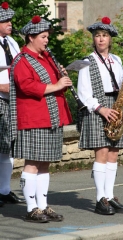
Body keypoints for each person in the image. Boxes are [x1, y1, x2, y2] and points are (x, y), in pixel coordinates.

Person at [9, 15, 72, 223]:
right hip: (34, 118)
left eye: (47, 37)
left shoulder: (46, 58)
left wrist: (61, 77)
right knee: (32, 165)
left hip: (50, 117)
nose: (46, 40)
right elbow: (25, 85)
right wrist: (56, 85)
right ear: (31, 37)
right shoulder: (22, 60)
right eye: (43, 37)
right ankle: (31, 208)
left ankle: (43, 206)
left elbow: (52, 82)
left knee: (45, 164)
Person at [77, 16, 123, 215]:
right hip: (98, 108)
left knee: (113, 153)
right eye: (97, 36)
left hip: (116, 106)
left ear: (110, 39)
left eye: (104, 36)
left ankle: (109, 196)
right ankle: (100, 199)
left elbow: (121, 88)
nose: (101, 39)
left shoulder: (117, 60)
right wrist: (101, 109)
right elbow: (84, 93)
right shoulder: (87, 61)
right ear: (93, 39)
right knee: (101, 153)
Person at [0, 1, 25, 207]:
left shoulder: (13, 42)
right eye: (5, 20)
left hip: (12, 101)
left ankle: (4, 190)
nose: (10, 23)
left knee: (7, 148)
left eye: (10, 20)